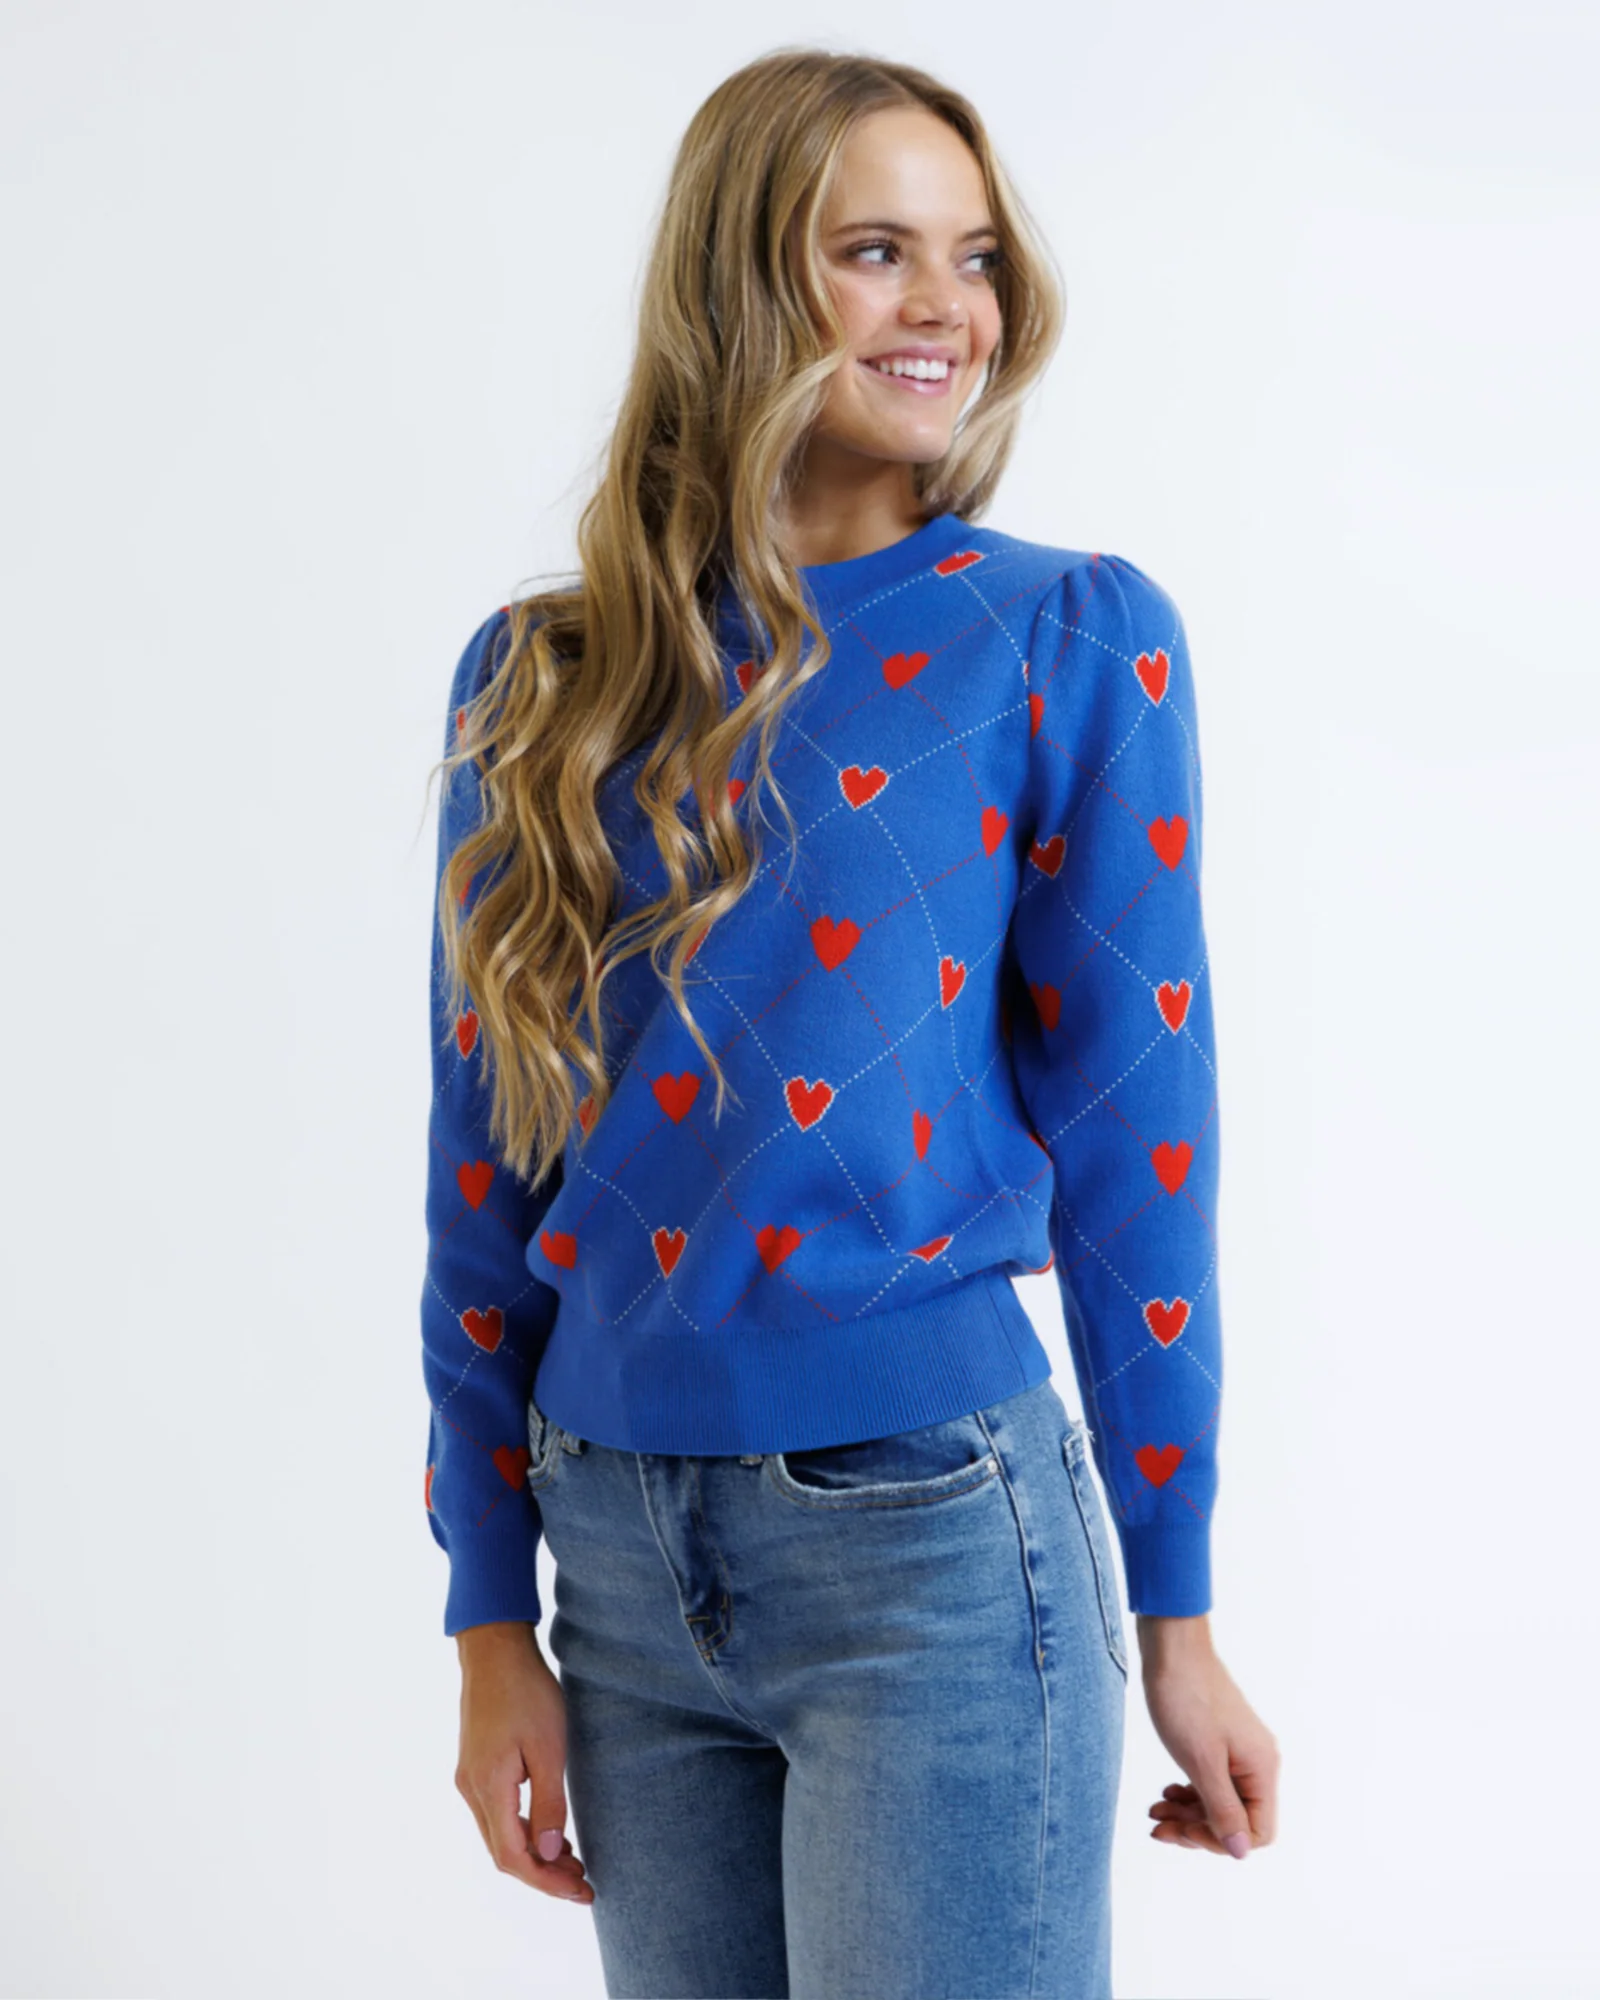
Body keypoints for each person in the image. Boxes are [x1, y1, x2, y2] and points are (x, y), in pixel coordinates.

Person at [419, 45, 1279, 2000]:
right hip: (612, 1567)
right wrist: (487, 1617)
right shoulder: (543, 677)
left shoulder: (1063, 636)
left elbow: (1141, 1144)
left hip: (932, 1549)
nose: (944, 306)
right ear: (740, 280)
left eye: (972, 257)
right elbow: (481, 1173)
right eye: (874, 250)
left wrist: (1177, 1609)